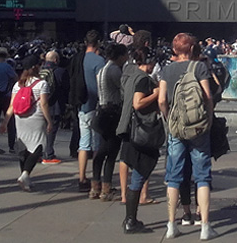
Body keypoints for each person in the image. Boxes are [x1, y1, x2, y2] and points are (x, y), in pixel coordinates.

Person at [157, 34, 218, 240]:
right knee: (202, 176)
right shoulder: (199, 67)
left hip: (176, 128)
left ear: (174, 50)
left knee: (173, 177)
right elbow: (208, 96)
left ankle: (172, 225)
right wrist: (208, 119)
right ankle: (205, 227)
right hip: (198, 127)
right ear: (192, 49)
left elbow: (162, 100)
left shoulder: (167, 69)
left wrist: (168, 119)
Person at [117, 46, 160, 234]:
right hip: (140, 132)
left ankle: (130, 218)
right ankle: (130, 220)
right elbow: (138, 102)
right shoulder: (143, 80)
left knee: (136, 169)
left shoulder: (129, 75)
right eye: (153, 63)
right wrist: (157, 94)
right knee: (141, 169)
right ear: (148, 63)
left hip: (128, 128)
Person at [0, 54, 53, 192]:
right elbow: (44, 104)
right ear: (36, 67)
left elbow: (11, 105)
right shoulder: (42, 84)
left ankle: (25, 178)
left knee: (23, 147)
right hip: (36, 118)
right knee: (39, 147)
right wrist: (49, 121)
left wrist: (5, 122)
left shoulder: (18, 84)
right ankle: (25, 174)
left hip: (20, 118)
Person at [91, 43, 129, 201]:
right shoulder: (114, 70)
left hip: (102, 110)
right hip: (112, 112)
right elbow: (123, 90)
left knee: (101, 151)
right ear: (120, 56)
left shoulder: (102, 69)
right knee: (111, 152)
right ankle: (106, 187)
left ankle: (95, 185)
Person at [77, 31, 105, 193]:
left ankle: (81, 177)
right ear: (98, 43)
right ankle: (96, 178)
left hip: (82, 104)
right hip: (95, 105)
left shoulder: (79, 58)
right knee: (96, 145)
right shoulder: (99, 61)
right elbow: (101, 84)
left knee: (83, 143)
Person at [40, 50, 69, 165]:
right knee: (51, 130)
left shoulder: (40, 70)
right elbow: (66, 87)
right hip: (55, 105)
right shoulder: (61, 71)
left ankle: (39, 153)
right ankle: (49, 153)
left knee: (41, 130)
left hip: (41, 104)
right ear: (56, 60)